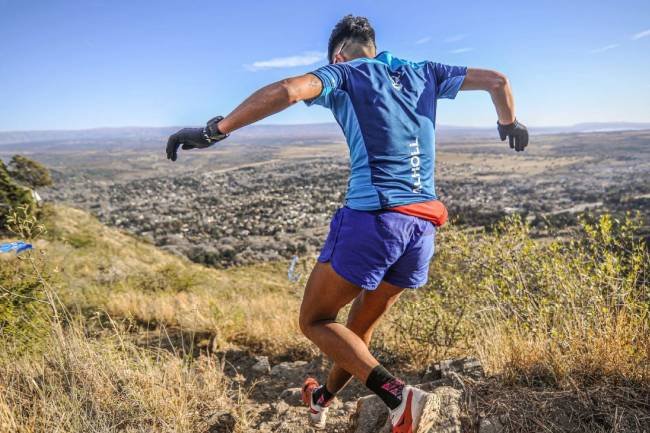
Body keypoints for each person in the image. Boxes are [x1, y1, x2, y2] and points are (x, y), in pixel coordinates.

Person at [166, 14, 528, 433]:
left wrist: (215, 130)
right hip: (422, 227)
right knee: (356, 330)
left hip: (373, 221)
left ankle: (398, 397)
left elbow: (287, 90)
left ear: (338, 54)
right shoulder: (424, 71)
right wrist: (509, 122)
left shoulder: (345, 72)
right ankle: (323, 397)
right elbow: (498, 81)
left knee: (315, 320)